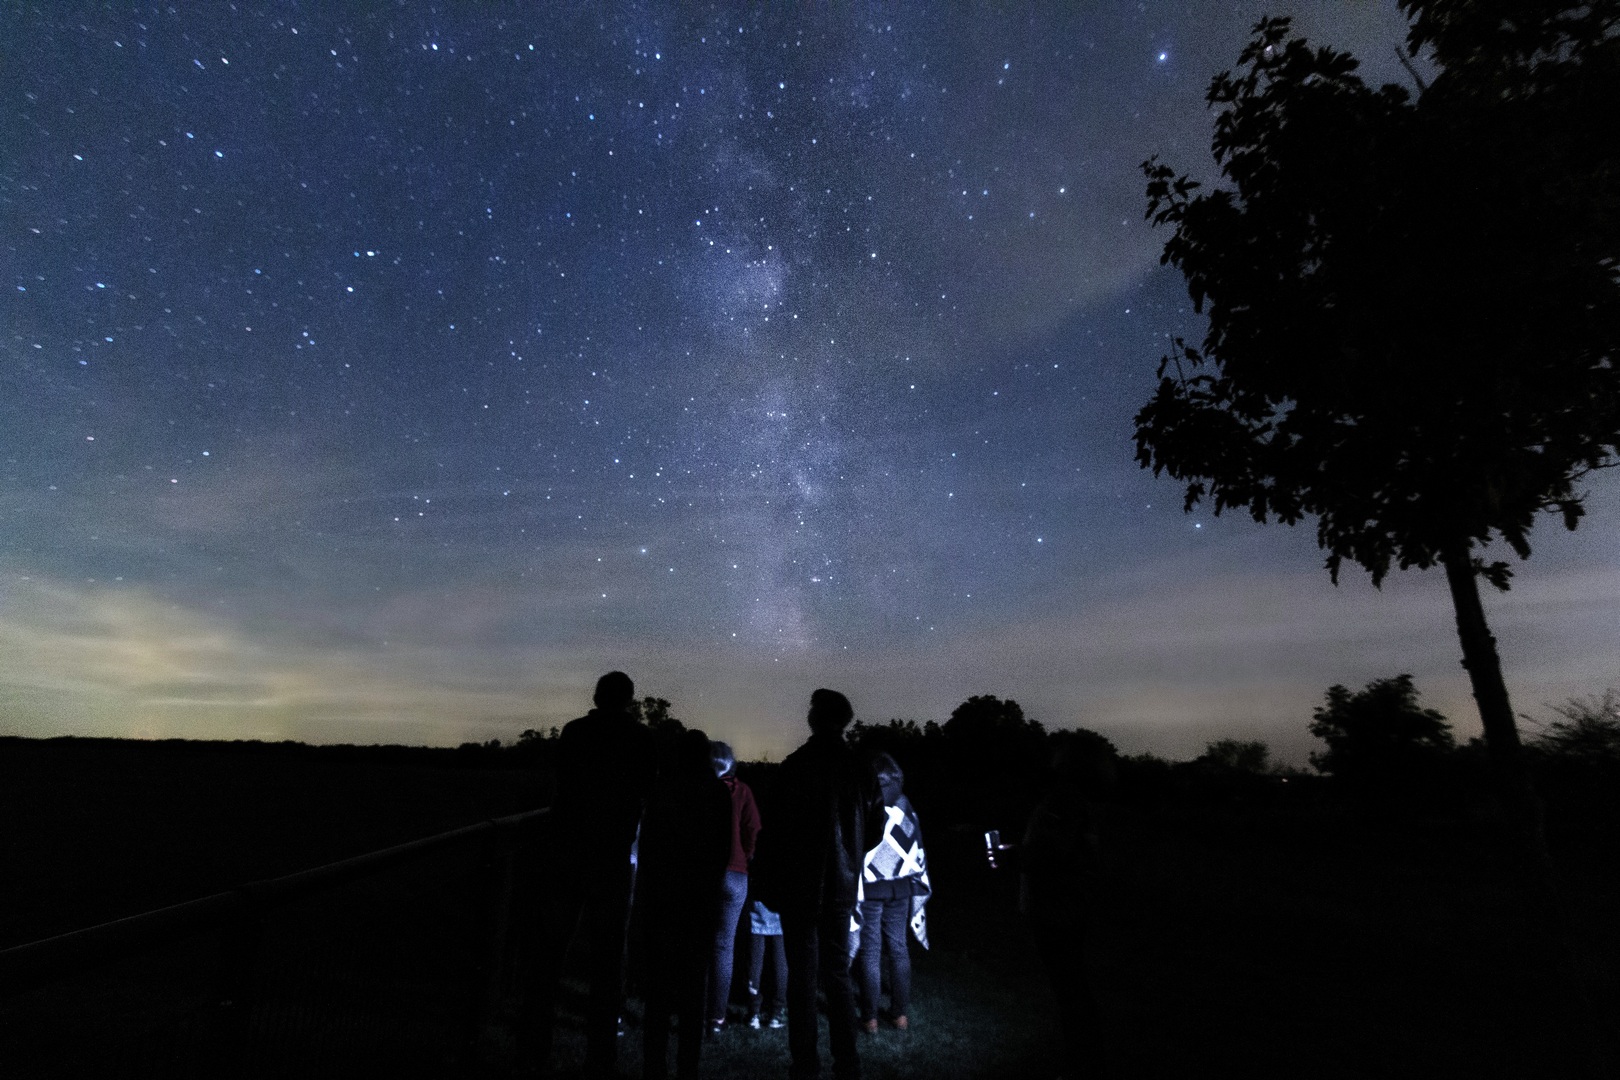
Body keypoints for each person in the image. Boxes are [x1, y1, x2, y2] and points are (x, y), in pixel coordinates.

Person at [521, 671, 657, 1079]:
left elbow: (562, 782)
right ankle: (601, 1056)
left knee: (550, 952)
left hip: (568, 852)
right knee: (608, 958)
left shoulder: (575, 732)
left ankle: (534, 1048)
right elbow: (645, 790)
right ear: (630, 700)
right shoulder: (641, 739)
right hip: (612, 858)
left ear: (597, 696)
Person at [752, 689, 882, 1080]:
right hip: (840, 889)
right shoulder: (860, 769)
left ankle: (804, 1064)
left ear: (813, 718)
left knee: (802, 978)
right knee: (837, 974)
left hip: (798, 888)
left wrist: (773, 879)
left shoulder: (795, 766)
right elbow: (874, 829)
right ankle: (848, 1063)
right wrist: (852, 856)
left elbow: (772, 832)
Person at [989, 736, 1110, 1080]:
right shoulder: (1082, 801)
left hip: (1057, 910)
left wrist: (1011, 855)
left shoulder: (1063, 800)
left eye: (1061, 751)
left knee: (1071, 991)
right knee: (1074, 989)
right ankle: (1086, 1060)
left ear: (1069, 762)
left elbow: (1050, 854)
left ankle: (1082, 1064)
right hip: (1072, 906)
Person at [636, 728, 733, 1080]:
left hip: (664, 899)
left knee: (659, 991)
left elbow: (649, 844)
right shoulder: (718, 793)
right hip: (699, 901)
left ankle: (654, 1065)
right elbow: (723, 847)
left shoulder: (664, 789)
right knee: (693, 989)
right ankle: (687, 1066)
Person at [854, 751, 930, 1033]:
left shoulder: (867, 803)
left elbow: (860, 844)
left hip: (872, 888)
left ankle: (870, 1018)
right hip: (901, 888)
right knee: (898, 948)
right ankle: (899, 1016)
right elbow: (915, 848)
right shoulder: (905, 804)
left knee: (870, 951)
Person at [708, 740, 761, 1033]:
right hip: (735, 873)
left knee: (699, 942)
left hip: (703, 874)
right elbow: (754, 828)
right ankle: (716, 1016)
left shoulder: (700, 791)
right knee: (723, 946)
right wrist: (746, 854)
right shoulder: (742, 791)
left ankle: (694, 1006)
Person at [745, 898, 788, 1029]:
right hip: (780, 905)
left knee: (754, 960)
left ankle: (754, 1013)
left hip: (758, 901)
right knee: (780, 958)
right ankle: (776, 1014)